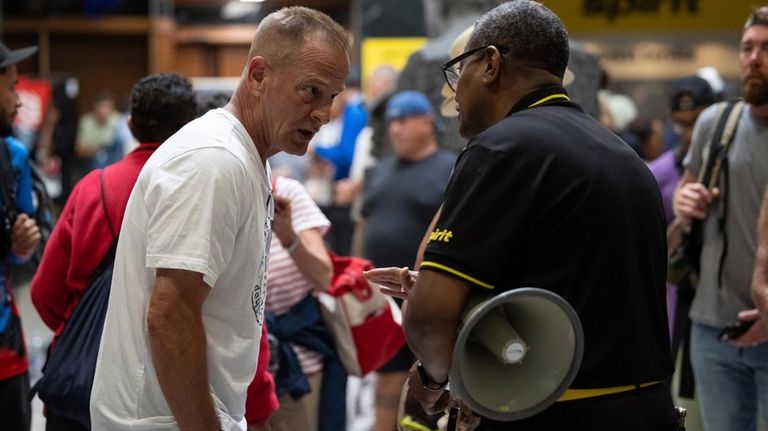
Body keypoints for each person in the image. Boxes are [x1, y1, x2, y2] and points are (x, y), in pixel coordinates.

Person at [371, 2, 679, 430]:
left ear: (492, 64)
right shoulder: (623, 156)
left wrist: (431, 380)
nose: (455, 93)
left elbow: (429, 316)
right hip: (650, 411)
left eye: (459, 73)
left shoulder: (499, 149)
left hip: (546, 411)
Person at [89, 7, 349, 430]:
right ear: (259, 75)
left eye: (332, 97)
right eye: (311, 91)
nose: (323, 113)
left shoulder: (249, 159)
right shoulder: (214, 160)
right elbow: (170, 314)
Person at [30, 73, 193, 430]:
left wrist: (83, 323)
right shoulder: (198, 196)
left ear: (131, 125)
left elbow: (45, 294)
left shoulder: (94, 188)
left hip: (87, 377)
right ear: (190, 127)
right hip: (171, 387)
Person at [673, 7, 768, 430]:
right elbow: (686, 190)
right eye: (748, 48)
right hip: (712, 327)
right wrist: (685, 199)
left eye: (766, 49)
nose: (754, 58)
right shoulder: (716, 121)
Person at [352, 90, 455, 431]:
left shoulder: (450, 169)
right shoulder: (379, 170)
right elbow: (364, 223)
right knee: (386, 381)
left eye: (403, 121)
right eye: (392, 122)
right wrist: (356, 273)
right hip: (383, 299)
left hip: (428, 299)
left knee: (430, 387)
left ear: (428, 122)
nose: (395, 129)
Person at [262, 174, 344, 431]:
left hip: (299, 363)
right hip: (244, 367)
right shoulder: (225, 193)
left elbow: (324, 277)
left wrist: (288, 237)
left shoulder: (286, 192)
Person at [0, 39, 42, 431]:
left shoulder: (12, 155)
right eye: (11, 87)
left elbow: (18, 253)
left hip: (6, 348)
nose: (18, 101)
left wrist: (20, 245)